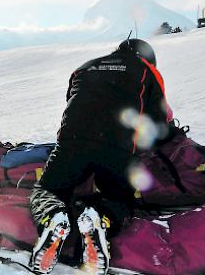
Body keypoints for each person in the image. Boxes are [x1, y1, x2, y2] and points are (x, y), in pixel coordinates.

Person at [29, 38, 172, 275]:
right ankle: (100, 218)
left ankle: (53, 215)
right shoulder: (147, 71)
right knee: (121, 198)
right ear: (147, 57)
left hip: (72, 144)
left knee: (47, 191)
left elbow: (75, 105)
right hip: (117, 148)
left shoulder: (84, 67)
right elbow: (158, 124)